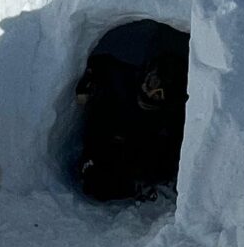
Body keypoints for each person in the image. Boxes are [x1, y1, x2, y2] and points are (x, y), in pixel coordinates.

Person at [74, 22, 187, 201]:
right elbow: (103, 63)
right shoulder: (125, 83)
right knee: (96, 181)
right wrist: (88, 78)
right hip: (110, 143)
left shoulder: (172, 118)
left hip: (139, 157)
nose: (152, 94)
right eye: (152, 84)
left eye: (161, 93)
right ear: (145, 75)